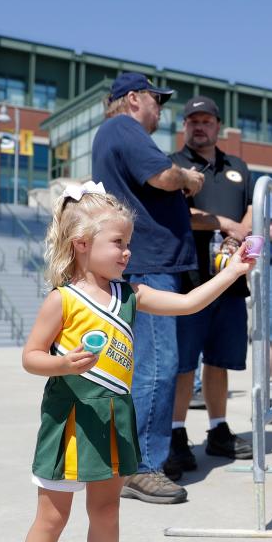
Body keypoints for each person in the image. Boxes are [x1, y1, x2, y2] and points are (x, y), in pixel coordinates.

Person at [17, 183, 254, 542]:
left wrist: (234, 271)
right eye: (118, 243)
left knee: (106, 511)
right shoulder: (61, 300)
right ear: (81, 245)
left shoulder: (130, 294)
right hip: (70, 419)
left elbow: (186, 305)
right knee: (52, 517)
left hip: (114, 417)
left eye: (129, 243)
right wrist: (62, 363)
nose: (127, 252)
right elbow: (31, 356)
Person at [91, 72, 204, 505]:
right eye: (157, 101)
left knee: (147, 366)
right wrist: (188, 179)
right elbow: (162, 177)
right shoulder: (123, 127)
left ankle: (131, 461)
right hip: (148, 265)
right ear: (134, 98)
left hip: (146, 264)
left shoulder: (113, 133)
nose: (161, 110)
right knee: (158, 365)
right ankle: (143, 467)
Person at [164, 96, 254, 482]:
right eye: (192, 121)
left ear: (218, 125)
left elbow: (251, 207)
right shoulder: (174, 166)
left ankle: (218, 429)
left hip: (230, 281)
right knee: (184, 364)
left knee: (219, 360)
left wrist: (243, 229)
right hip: (190, 280)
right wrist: (225, 224)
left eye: (206, 120)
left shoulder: (238, 167)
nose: (199, 127)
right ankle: (175, 435)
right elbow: (177, 213)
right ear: (185, 126)